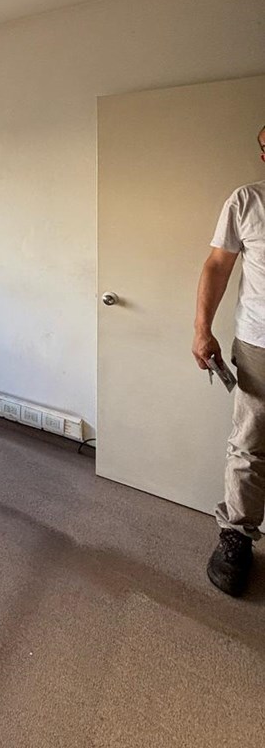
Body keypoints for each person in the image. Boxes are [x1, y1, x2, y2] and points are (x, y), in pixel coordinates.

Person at [192, 125, 265, 597]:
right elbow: (217, 265)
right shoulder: (247, 201)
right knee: (250, 444)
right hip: (259, 347)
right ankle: (237, 536)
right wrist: (202, 328)